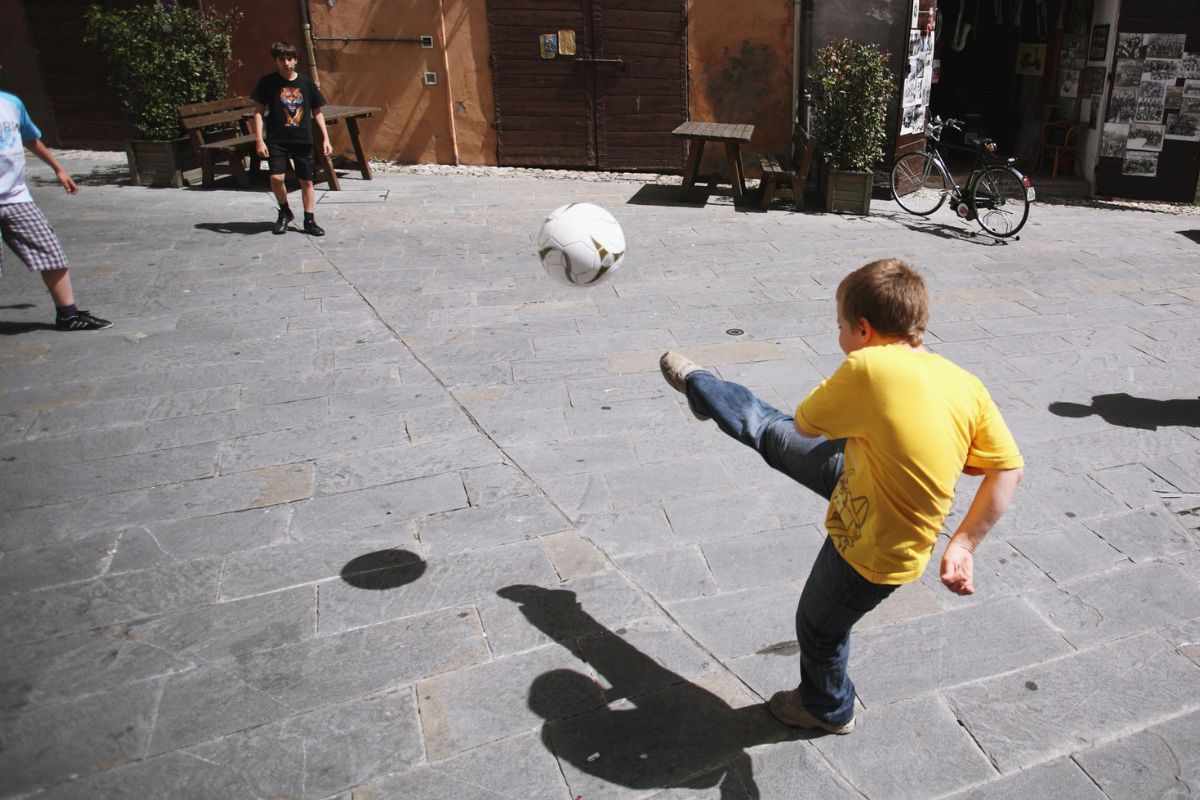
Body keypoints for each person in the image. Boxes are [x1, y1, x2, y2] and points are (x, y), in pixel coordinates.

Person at [659, 259, 1023, 735]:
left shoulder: (868, 365)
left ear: (864, 329)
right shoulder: (965, 383)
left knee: (819, 627)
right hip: (861, 477)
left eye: (839, 327)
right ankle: (702, 386)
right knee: (770, 433)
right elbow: (1008, 468)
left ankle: (827, 708)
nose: (839, 337)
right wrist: (963, 544)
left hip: (873, 542)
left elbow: (807, 423)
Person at [0, 88, 111, 331]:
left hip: (16, 196)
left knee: (51, 253)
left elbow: (30, 138)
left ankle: (68, 316)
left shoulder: (11, 103)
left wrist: (58, 169)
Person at [251, 41, 332, 236]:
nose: (286, 63)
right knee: (276, 178)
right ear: (276, 61)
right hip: (277, 139)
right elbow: (259, 112)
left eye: (290, 59)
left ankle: (309, 220)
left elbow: (317, 112)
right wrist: (259, 140)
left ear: (295, 60)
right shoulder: (267, 83)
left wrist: (326, 138)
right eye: (282, 59)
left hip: (302, 139)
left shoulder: (305, 83)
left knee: (307, 181)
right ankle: (285, 211)